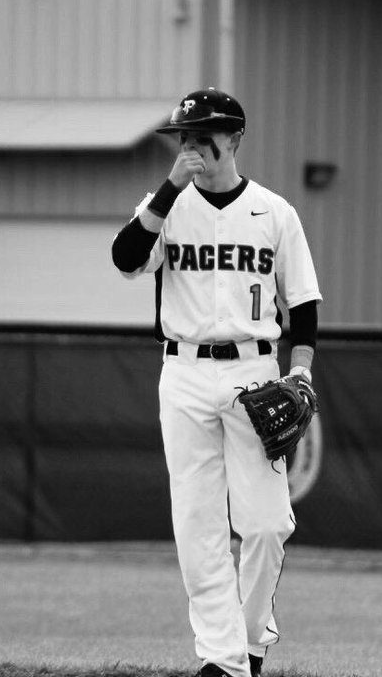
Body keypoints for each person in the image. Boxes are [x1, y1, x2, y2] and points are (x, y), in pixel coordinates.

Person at [111, 88, 322, 677]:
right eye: (184, 136)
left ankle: (249, 644)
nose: (192, 146)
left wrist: (301, 368)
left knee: (267, 525)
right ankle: (223, 661)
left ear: (234, 139)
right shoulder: (165, 206)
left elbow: (303, 303)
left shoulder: (274, 212)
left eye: (204, 135)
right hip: (183, 370)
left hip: (255, 372)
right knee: (198, 525)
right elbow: (126, 259)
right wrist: (168, 190)